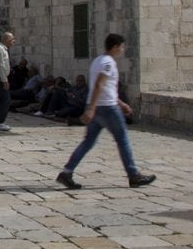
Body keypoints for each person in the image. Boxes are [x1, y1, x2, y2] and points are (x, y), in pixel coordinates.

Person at [57, 34, 156, 190]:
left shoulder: (98, 60)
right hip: (106, 108)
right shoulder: (108, 63)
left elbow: (106, 88)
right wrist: (91, 109)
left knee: (88, 141)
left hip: (99, 105)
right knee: (122, 139)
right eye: (122, 47)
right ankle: (133, 175)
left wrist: (121, 103)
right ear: (115, 47)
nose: (122, 50)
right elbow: (99, 85)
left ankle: (67, 172)